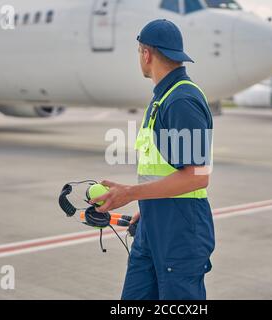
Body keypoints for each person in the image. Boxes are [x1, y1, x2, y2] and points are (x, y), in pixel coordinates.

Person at [90, 19, 215, 300]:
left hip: (180, 232)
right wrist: (147, 208)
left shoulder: (181, 100)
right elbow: (163, 170)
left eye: (139, 52)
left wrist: (131, 193)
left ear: (146, 54)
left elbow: (197, 175)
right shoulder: (163, 97)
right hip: (154, 222)